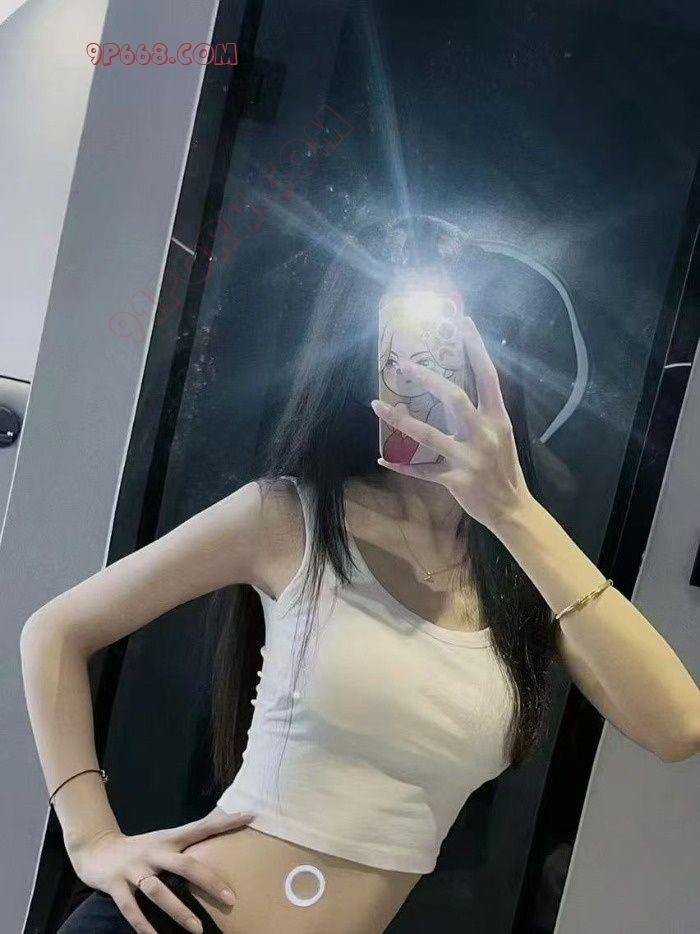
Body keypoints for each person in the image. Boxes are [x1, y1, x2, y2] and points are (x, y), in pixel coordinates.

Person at [21, 217, 700, 934]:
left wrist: (512, 511)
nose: (425, 377)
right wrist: (91, 839)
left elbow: (677, 726)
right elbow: (54, 632)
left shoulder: (522, 564)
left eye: (447, 350)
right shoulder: (288, 516)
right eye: (399, 354)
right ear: (362, 363)